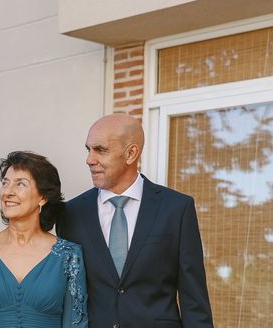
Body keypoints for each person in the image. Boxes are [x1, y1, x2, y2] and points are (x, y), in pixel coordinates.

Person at [60, 114, 214, 328]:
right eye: (88, 149)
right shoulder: (71, 213)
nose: (89, 159)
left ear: (131, 153)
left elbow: (194, 301)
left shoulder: (177, 209)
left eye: (101, 149)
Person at [0, 151, 87, 328]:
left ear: (43, 197)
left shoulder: (69, 255)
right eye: (5, 183)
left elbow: (76, 323)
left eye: (20, 184)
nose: (8, 192)